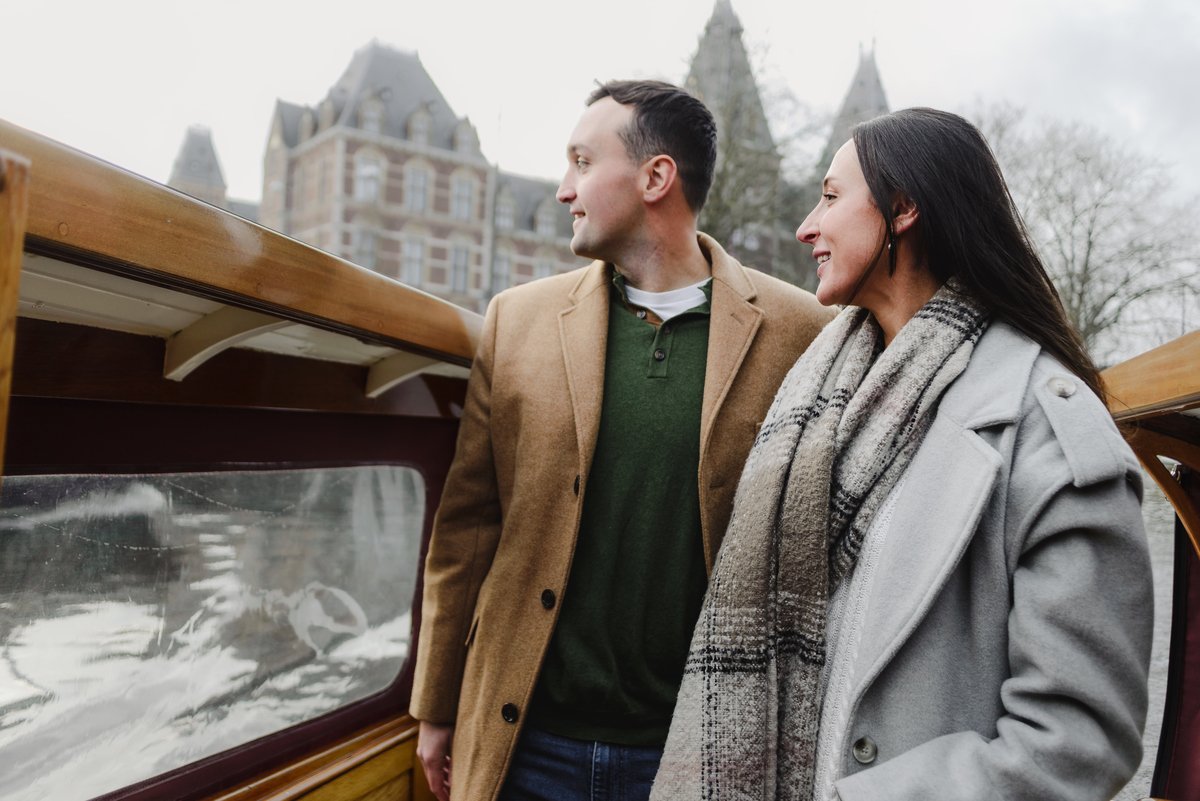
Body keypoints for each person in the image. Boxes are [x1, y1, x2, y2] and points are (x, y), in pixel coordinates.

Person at [653, 108, 1153, 801]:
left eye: (830, 197)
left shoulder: (1048, 429)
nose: (806, 225)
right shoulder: (818, 394)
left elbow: (1079, 737)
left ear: (903, 208)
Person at [410, 80, 835, 801]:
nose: (562, 189)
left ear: (655, 177)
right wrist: (436, 704)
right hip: (525, 743)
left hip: (693, 755)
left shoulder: (803, 334)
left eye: (581, 161)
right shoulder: (515, 322)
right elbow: (466, 533)